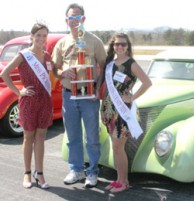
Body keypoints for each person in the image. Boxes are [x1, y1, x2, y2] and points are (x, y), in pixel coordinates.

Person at [51, 3, 106, 188]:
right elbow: (55, 68)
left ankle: (92, 171)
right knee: (73, 136)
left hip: (89, 96)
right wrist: (62, 73)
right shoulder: (62, 43)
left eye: (77, 17)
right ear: (66, 21)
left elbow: (103, 66)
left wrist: (97, 88)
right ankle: (76, 170)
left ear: (83, 19)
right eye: (71, 18)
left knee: (92, 137)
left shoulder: (94, 41)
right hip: (69, 95)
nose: (74, 21)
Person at [0, 23, 52, 189]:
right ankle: (27, 173)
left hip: (44, 101)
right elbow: (4, 74)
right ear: (32, 36)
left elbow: (54, 73)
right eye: (38, 35)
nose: (41, 39)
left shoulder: (47, 56)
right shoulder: (23, 55)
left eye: (44, 36)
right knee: (28, 137)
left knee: (41, 137)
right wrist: (18, 91)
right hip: (29, 101)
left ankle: (40, 173)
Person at [101, 33, 152, 193]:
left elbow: (147, 82)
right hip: (109, 110)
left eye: (123, 44)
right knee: (115, 147)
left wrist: (132, 97)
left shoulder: (131, 64)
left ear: (128, 46)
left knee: (118, 147)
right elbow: (106, 86)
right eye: (116, 44)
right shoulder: (111, 63)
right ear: (113, 46)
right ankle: (118, 180)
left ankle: (124, 182)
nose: (120, 47)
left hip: (122, 112)